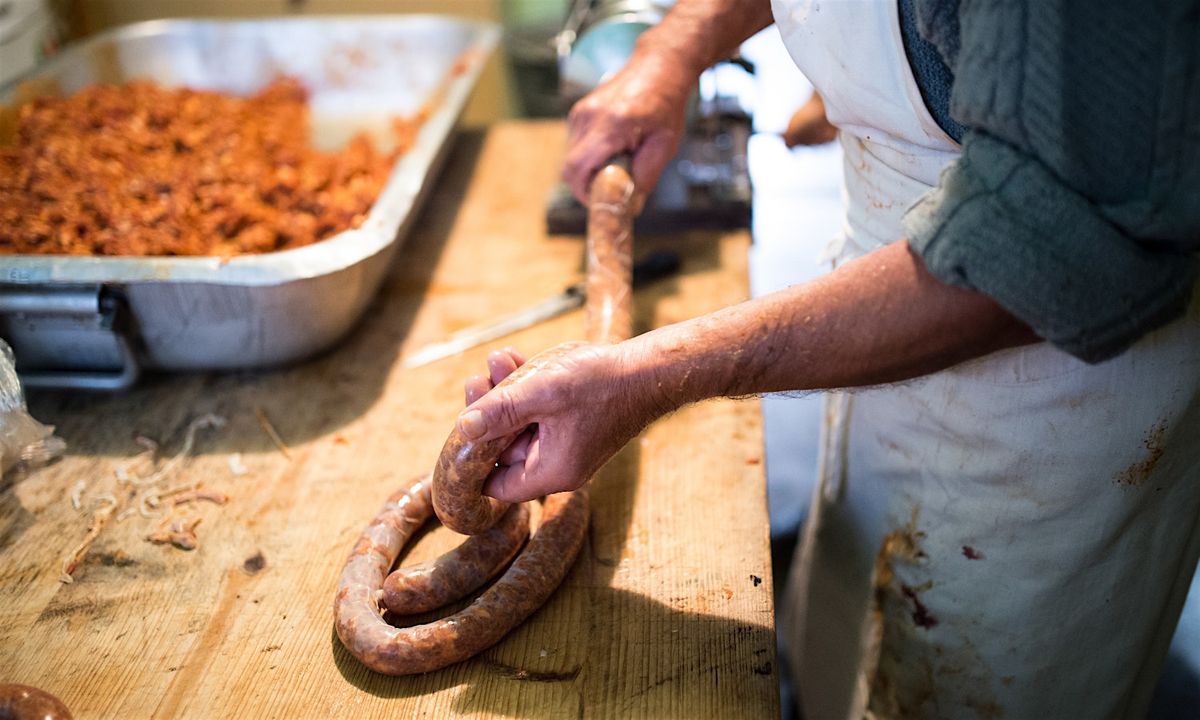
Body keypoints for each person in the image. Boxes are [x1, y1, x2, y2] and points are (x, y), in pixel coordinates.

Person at [457, 1, 1200, 716]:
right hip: (881, 318)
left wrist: (650, 376)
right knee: (843, 643)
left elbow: (1046, 238)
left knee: (969, 682)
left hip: (1054, 408)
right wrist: (674, 46)